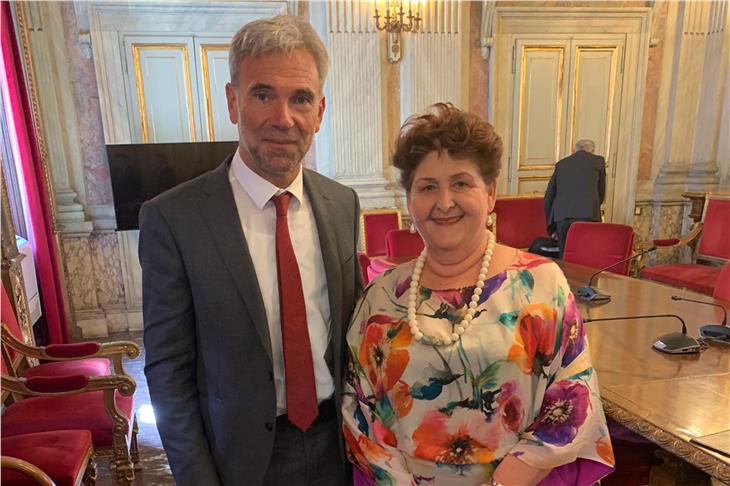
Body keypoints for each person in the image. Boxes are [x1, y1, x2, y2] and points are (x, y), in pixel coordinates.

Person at [139, 14, 362, 486]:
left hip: (338, 449)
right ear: (232, 102)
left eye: (300, 98)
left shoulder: (342, 204)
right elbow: (167, 372)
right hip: (237, 461)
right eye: (263, 95)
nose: (283, 119)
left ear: (319, 111)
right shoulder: (173, 219)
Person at [342, 104, 614, 485]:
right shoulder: (379, 298)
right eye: (427, 187)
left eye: (461, 183)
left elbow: (572, 396)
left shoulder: (542, 285)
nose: (445, 202)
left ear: (489, 193)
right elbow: (358, 410)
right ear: (409, 201)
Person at [544, 139, 606, 258]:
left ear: (573, 151)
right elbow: (601, 192)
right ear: (593, 151)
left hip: (562, 217)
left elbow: (549, 197)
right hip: (588, 216)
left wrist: (552, 227)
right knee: (585, 256)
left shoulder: (561, 164)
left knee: (564, 256)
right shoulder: (598, 162)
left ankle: (565, 276)